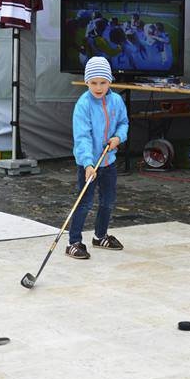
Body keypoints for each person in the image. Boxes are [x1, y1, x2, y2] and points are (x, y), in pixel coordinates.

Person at [66, 56, 128, 260]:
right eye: (93, 83)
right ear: (87, 82)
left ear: (110, 82)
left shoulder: (116, 101)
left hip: (108, 161)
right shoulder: (83, 105)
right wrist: (87, 164)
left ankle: (100, 236)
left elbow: (123, 123)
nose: (98, 87)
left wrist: (118, 137)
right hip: (89, 164)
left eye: (103, 82)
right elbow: (82, 136)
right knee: (84, 202)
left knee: (108, 201)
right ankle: (74, 241)